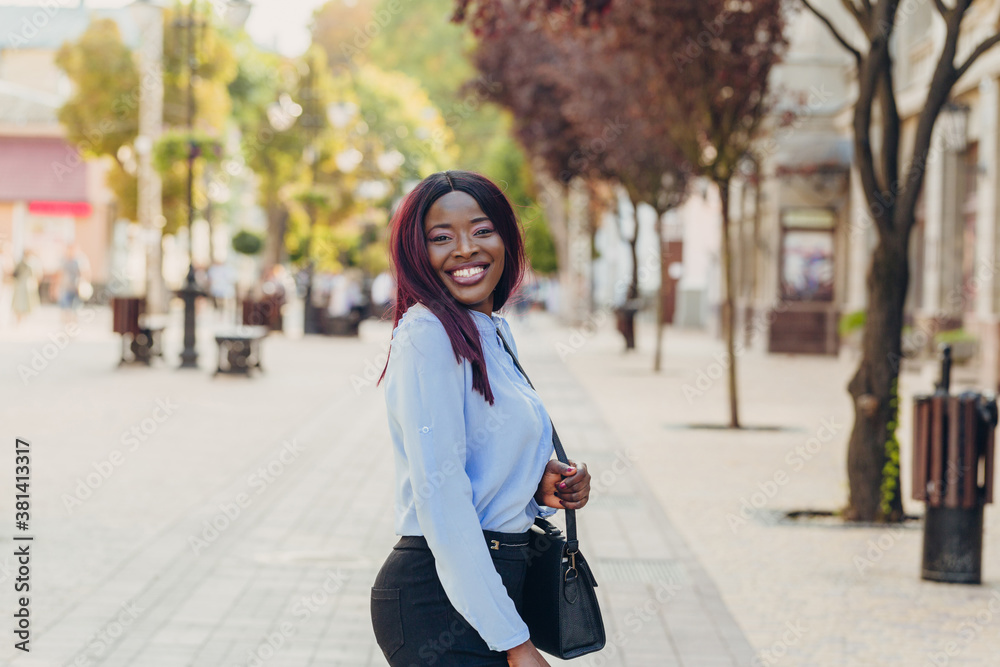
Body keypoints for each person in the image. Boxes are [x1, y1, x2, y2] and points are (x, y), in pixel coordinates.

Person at [371, 171, 592, 666]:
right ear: (416, 253)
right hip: (438, 598)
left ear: (506, 240)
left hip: (493, 581)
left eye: (482, 230)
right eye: (441, 237)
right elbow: (443, 500)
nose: (466, 249)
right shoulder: (427, 334)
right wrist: (516, 643)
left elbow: (480, 460)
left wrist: (538, 483)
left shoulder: (492, 330)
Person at [11, 251, 40, 325]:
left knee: (20, 304)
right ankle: (21, 320)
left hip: (21, 286)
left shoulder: (24, 265)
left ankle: (20, 320)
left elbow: (14, 274)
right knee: (22, 304)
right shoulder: (28, 265)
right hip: (24, 287)